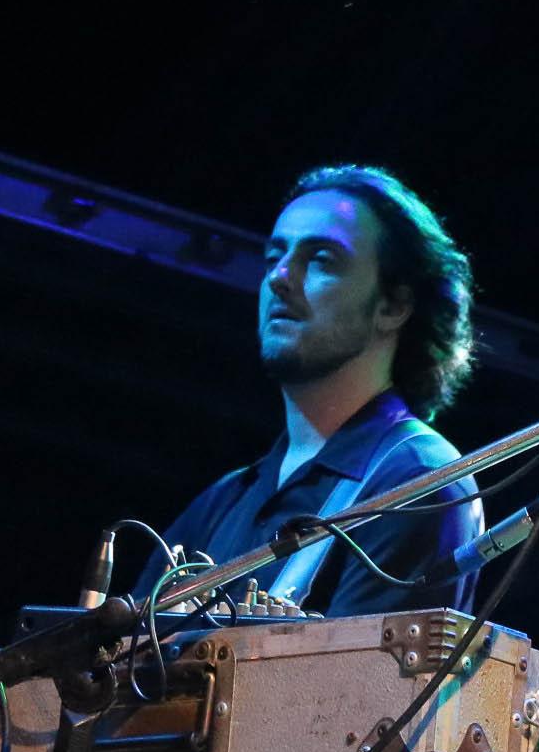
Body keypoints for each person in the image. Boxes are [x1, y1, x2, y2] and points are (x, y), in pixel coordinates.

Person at [147, 165, 484, 618]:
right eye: (274, 258)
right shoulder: (222, 501)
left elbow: (359, 688)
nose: (280, 278)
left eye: (321, 259)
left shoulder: (417, 481)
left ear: (394, 306)